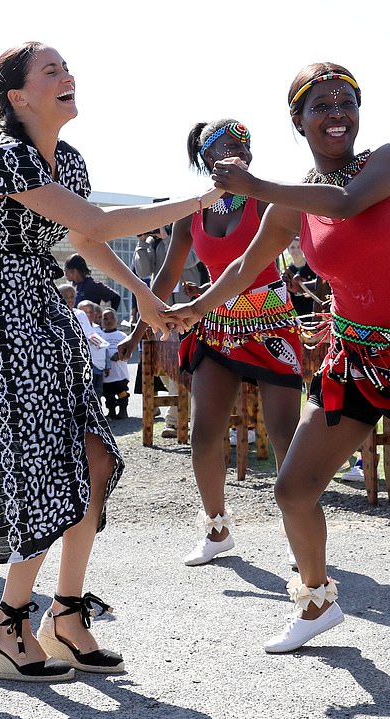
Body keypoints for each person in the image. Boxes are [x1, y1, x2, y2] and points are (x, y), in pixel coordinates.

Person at [0, 41, 222, 683]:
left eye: (66, 68)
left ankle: (66, 615)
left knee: (94, 456)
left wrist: (145, 297)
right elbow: (102, 224)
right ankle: (7, 628)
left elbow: (86, 241)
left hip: (43, 322)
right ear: (17, 96)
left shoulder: (69, 160)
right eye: (50, 71)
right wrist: (201, 200)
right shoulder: (5, 156)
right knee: (43, 472)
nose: (67, 77)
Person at [166, 64, 390, 691]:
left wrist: (255, 182)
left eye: (347, 102)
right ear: (297, 121)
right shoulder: (286, 203)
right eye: (320, 104)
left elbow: (346, 203)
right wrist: (193, 308)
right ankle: (315, 599)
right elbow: (250, 265)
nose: (337, 112)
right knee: (293, 487)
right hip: (354, 356)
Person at [120, 118, 303, 567]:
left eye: (238, 146)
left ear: (250, 154)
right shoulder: (192, 212)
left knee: (284, 435)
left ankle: (301, 534)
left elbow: (260, 260)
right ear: (205, 160)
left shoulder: (268, 199)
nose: (230, 155)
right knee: (204, 434)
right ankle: (217, 528)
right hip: (215, 324)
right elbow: (166, 276)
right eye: (218, 149)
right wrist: (137, 329)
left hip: (271, 322)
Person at [133, 221, 202, 438]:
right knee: (165, 364)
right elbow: (143, 270)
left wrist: (169, 239)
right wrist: (142, 241)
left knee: (182, 364)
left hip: (187, 311)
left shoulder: (186, 236)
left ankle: (174, 420)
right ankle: (183, 413)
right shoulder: (151, 244)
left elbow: (191, 261)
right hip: (160, 311)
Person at [59, 284, 108, 402]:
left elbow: (89, 334)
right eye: (66, 297)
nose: (70, 300)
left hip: (81, 360)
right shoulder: (54, 314)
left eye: (72, 297)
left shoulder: (79, 314)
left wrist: (99, 343)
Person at [99, 308, 130, 419]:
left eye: (112, 318)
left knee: (122, 393)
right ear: (101, 321)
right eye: (105, 318)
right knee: (108, 396)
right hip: (106, 376)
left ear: (117, 320)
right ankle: (111, 411)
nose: (109, 321)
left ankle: (123, 411)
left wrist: (119, 355)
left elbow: (128, 350)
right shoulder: (99, 335)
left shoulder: (122, 335)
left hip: (120, 374)